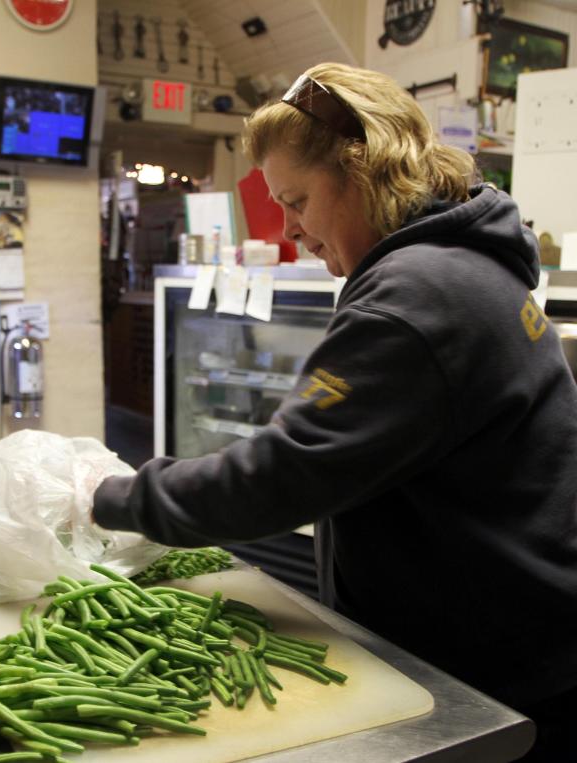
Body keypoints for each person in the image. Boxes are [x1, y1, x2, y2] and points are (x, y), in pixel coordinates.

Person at [92, 62, 577, 761]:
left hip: (503, 672)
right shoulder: (464, 263)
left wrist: (105, 497)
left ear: (363, 168)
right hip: (522, 631)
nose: (292, 231)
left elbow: (280, 476)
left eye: (297, 201)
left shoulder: (415, 297)